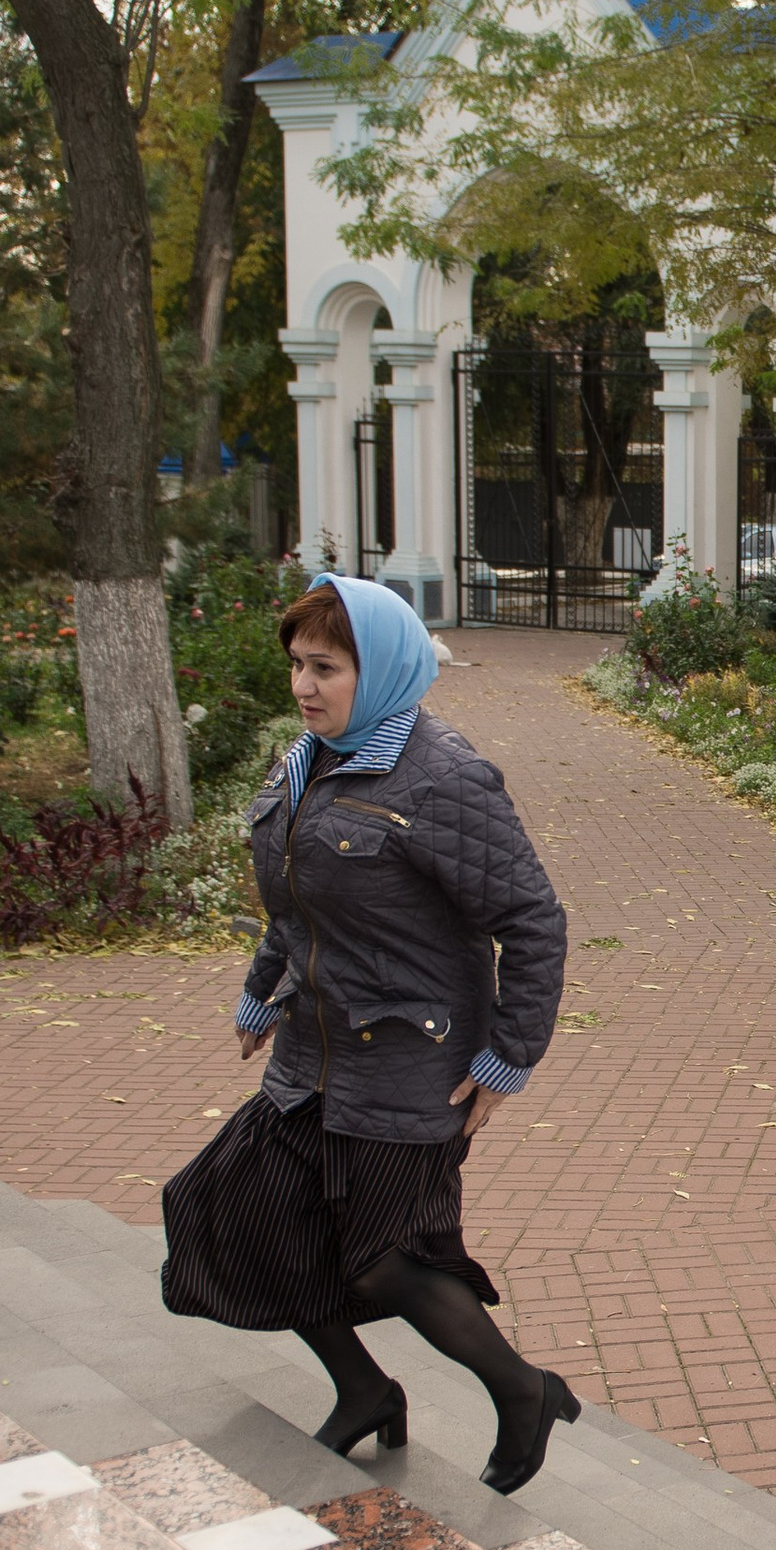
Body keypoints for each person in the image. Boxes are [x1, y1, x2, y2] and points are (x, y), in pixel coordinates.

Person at [160, 572, 577, 1495]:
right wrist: (262, 990)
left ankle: (522, 1392)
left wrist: (506, 1059)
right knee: (239, 1215)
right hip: (314, 1056)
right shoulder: (307, 759)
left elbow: (534, 922)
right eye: (299, 665)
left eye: (329, 667)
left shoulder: (444, 778)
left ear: (378, 669)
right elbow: (296, 901)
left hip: (411, 1064)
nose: (307, 686)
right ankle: (365, 1390)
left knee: (388, 1261)